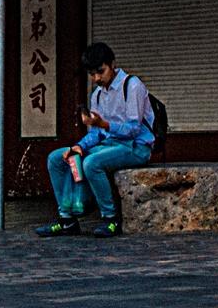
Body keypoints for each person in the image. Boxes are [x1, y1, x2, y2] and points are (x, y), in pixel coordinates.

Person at [40, 42, 155, 238]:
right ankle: (67, 219)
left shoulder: (132, 85)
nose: (97, 78)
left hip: (136, 147)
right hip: (109, 145)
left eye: (100, 72)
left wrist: (104, 125)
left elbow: (134, 129)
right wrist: (78, 146)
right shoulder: (97, 94)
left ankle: (110, 219)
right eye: (92, 74)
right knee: (56, 158)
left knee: (91, 163)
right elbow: (95, 134)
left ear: (112, 64)